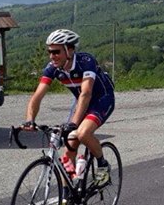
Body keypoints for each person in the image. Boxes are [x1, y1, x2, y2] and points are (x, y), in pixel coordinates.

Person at [21, 29, 115, 195]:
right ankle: (66, 193)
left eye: (56, 51)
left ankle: (103, 165)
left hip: (101, 99)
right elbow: (37, 95)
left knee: (82, 133)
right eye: (49, 51)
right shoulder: (53, 69)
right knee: (69, 146)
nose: (52, 56)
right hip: (80, 102)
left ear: (70, 50)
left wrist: (73, 123)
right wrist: (30, 120)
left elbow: (86, 93)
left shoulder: (86, 61)